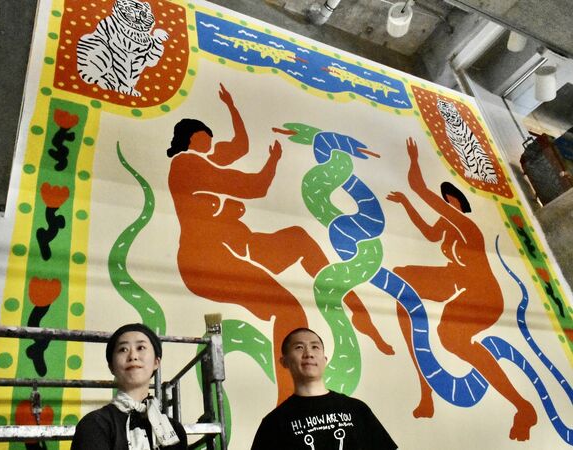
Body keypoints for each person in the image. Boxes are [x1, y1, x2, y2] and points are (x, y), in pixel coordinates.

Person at [167, 83, 393, 402]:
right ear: (193, 139)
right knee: (288, 310)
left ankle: (351, 304)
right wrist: (272, 162)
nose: (212, 144)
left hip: (238, 245)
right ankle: (290, 401)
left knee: (299, 239)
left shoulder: (203, 161)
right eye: (207, 138)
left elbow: (239, 147)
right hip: (208, 258)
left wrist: (232, 106)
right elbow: (254, 186)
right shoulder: (187, 164)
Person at [386, 137, 536, 440]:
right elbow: (429, 233)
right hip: (457, 284)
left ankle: (523, 407)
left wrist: (414, 163)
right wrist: (405, 204)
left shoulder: (468, 229)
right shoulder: (446, 228)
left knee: (451, 337)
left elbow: (419, 188)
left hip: (484, 294)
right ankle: (425, 387)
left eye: (448, 202)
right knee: (401, 283)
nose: (444, 208)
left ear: (456, 205)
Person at [251, 328, 397, 450]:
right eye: (299, 347)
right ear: (284, 362)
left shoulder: (358, 409)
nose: (309, 354)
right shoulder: (273, 423)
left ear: (325, 360)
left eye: (315, 347)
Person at [71, 323, 188, 450]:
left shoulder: (175, 430)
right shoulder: (94, 424)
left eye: (141, 347)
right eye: (123, 349)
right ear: (111, 366)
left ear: (156, 362)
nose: (133, 356)